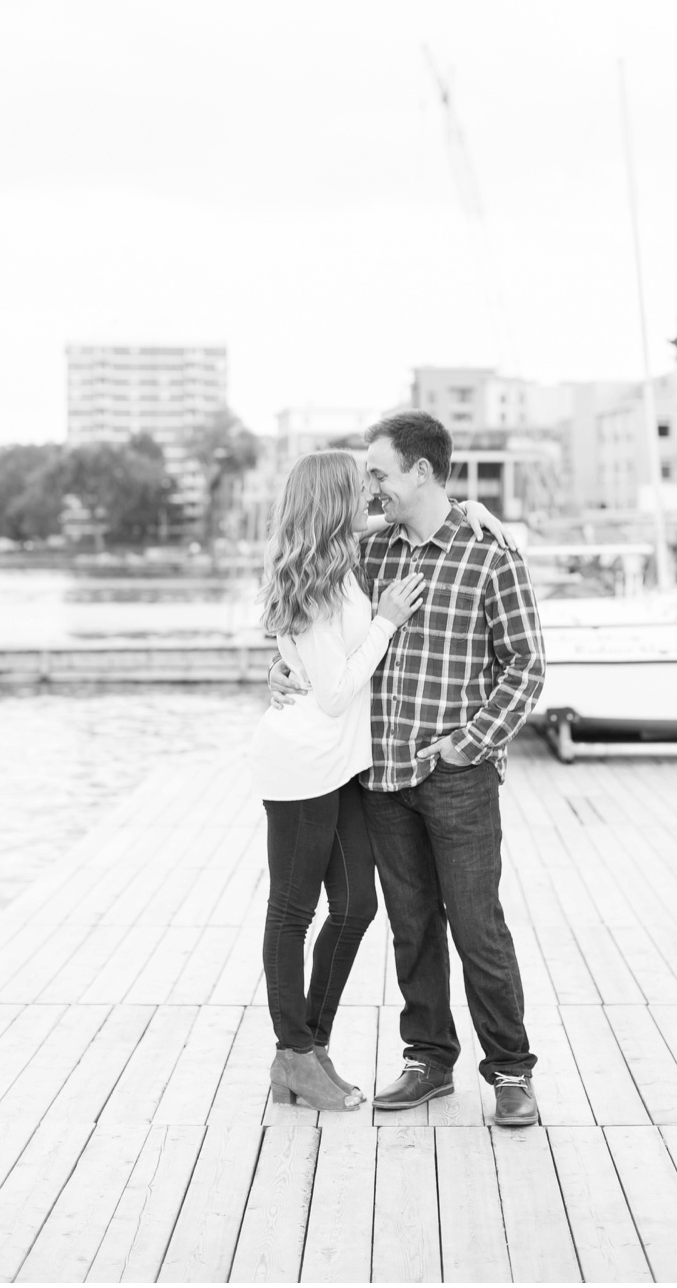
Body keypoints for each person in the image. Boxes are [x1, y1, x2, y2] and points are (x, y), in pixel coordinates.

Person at [272, 410, 548, 1127]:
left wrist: (471, 741)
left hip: (458, 776)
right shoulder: (375, 554)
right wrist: (287, 666)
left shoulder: (492, 555)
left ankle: (512, 1071)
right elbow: (316, 608)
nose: (372, 487)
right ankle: (428, 1058)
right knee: (411, 926)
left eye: (381, 473)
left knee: (478, 926)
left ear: (421, 471)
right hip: (383, 778)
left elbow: (525, 666)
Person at [248, 449, 423, 1110]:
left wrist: (466, 510)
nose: (372, 498)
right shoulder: (317, 589)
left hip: (341, 764)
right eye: (360, 490)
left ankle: (307, 1049)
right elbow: (334, 693)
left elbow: (388, 519)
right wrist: (386, 622)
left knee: (355, 905)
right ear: (333, 503)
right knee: (293, 910)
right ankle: (293, 1051)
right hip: (302, 765)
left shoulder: (337, 553)